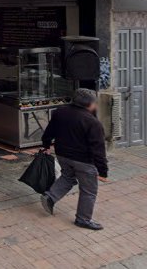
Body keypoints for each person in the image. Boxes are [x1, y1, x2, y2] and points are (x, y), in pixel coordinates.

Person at [40, 88, 108, 230]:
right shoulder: (92, 122)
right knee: (89, 190)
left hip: (63, 155)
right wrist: (103, 171)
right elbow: (99, 150)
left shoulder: (60, 112)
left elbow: (49, 131)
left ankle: (50, 197)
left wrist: (46, 145)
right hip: (83, 161)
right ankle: (83, 219)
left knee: (68, 177)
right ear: (90, 104)